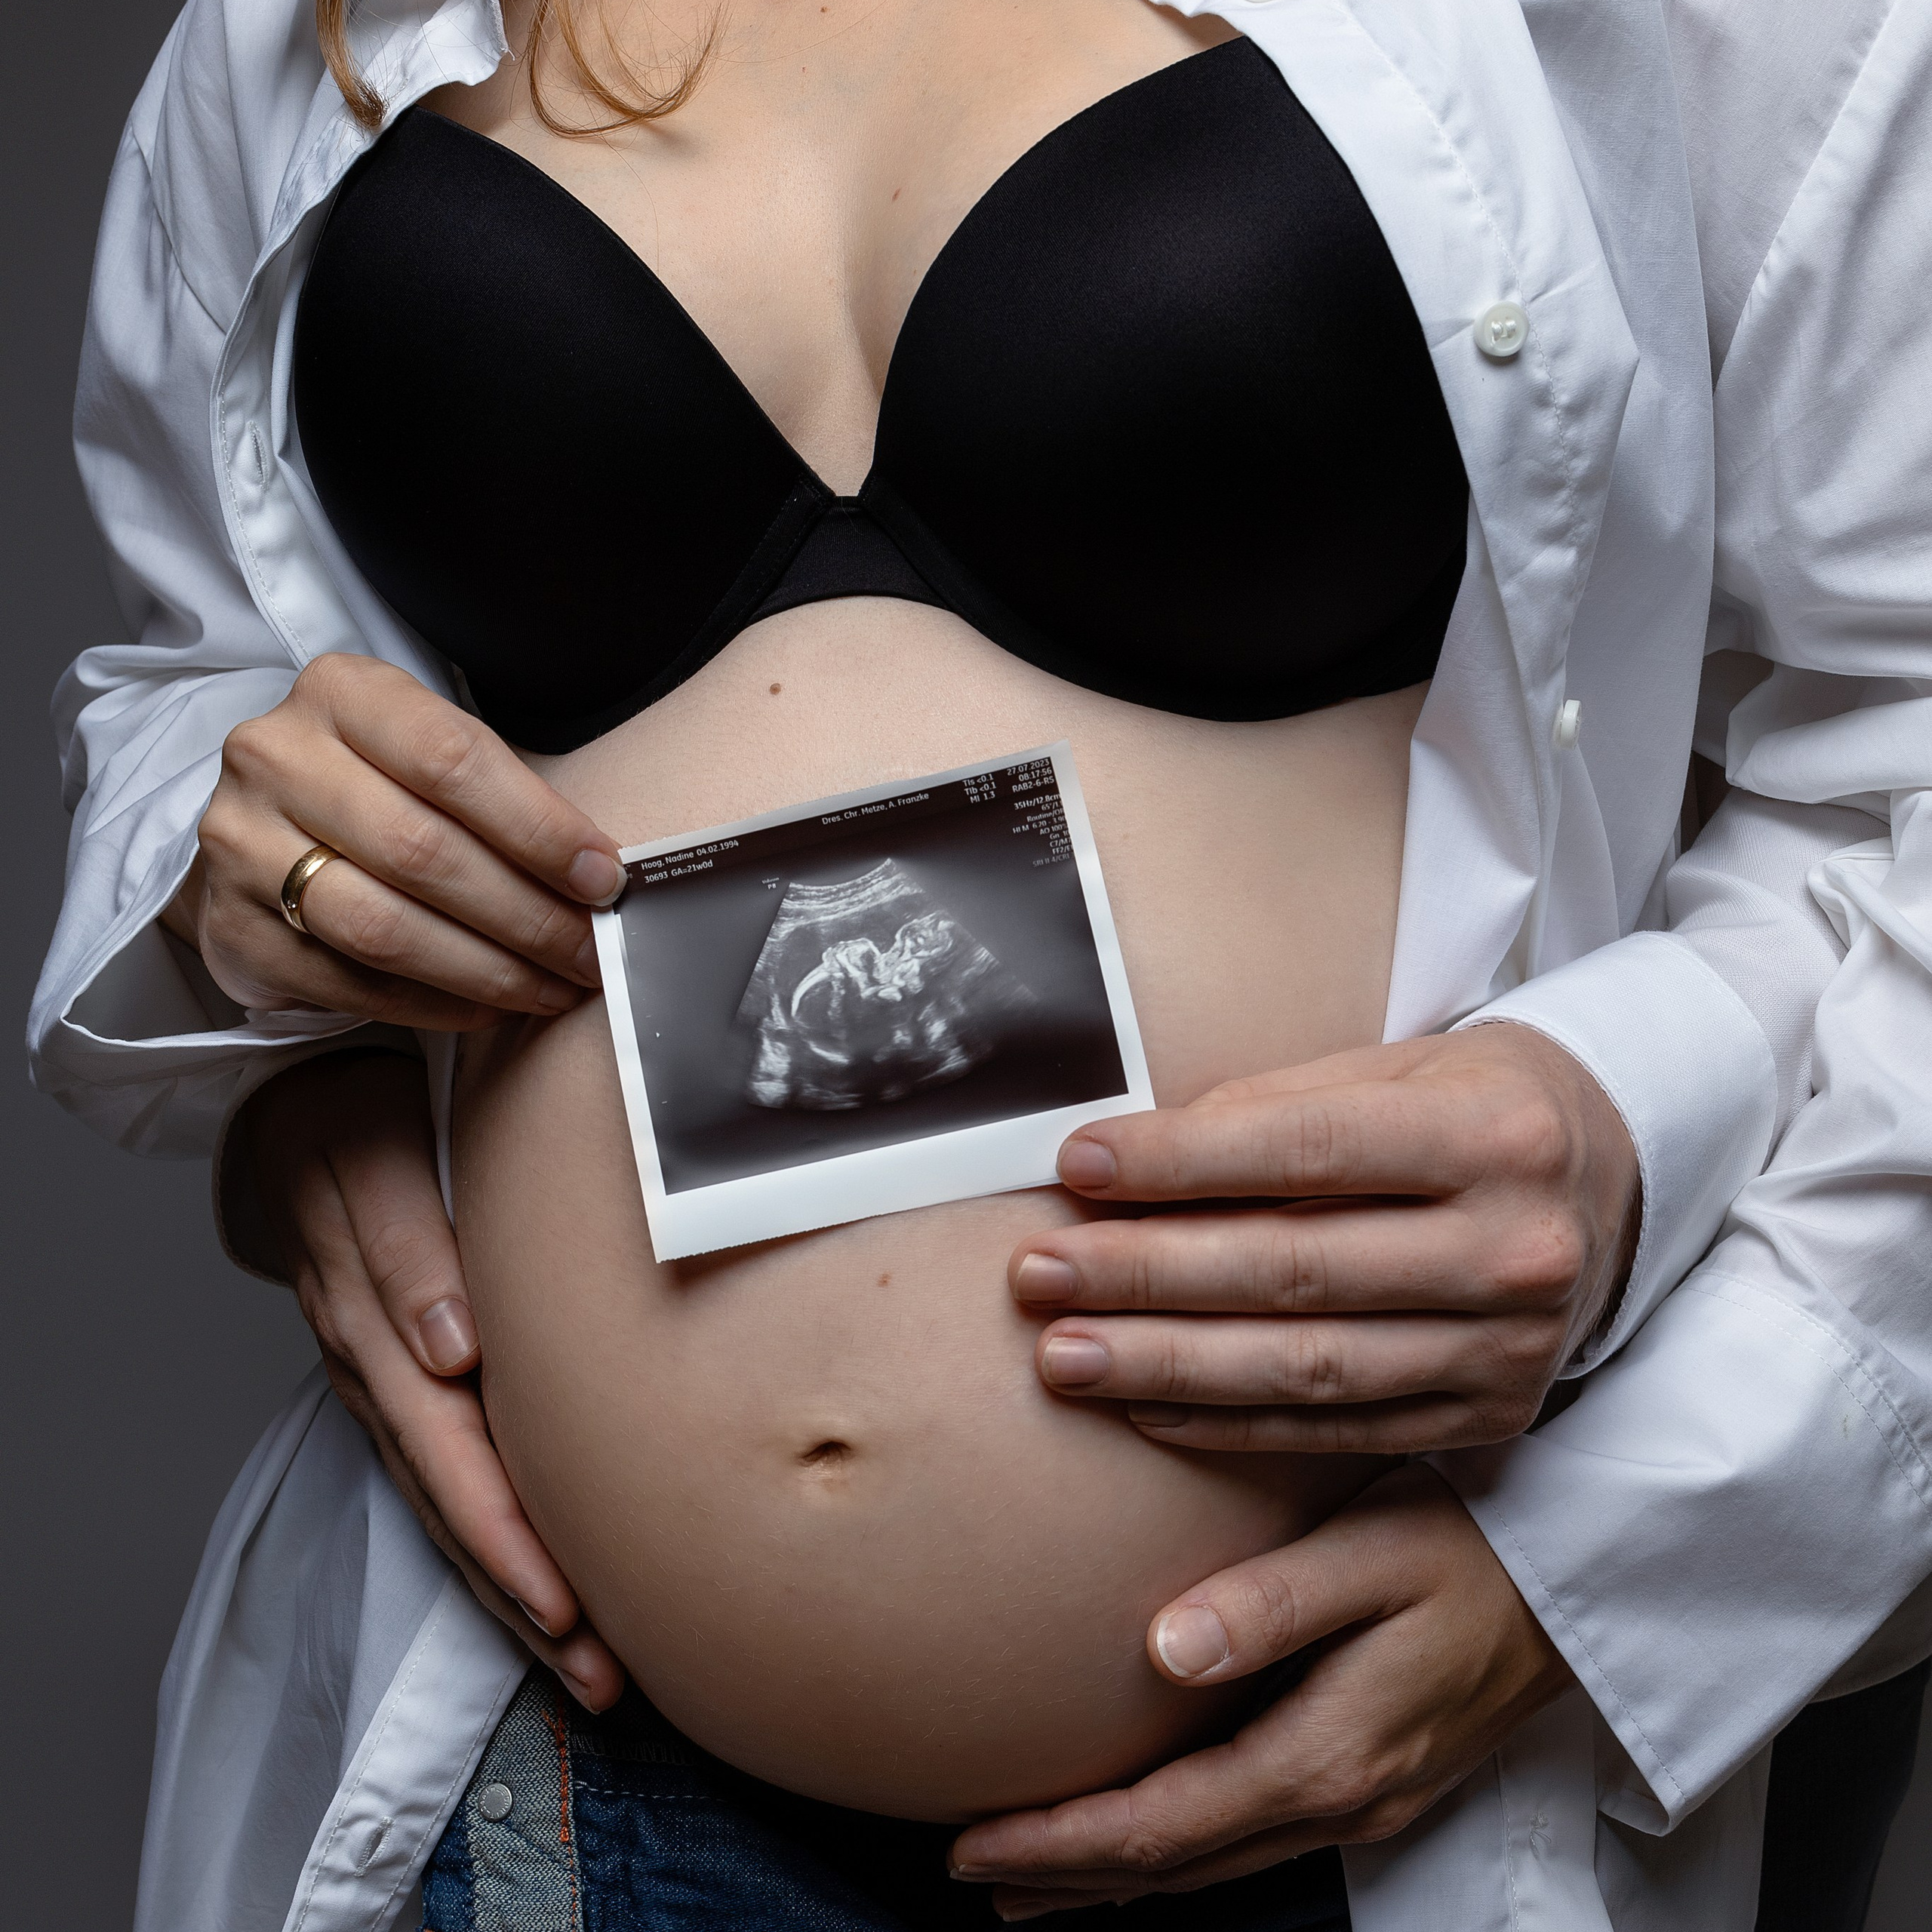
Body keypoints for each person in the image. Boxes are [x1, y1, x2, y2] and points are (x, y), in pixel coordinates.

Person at [28, 0, 1932, 1926]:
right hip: (547, 1771)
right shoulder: (319, 27)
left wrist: (1617, 1534)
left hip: (1381, 1744)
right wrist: (271, 955)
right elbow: (209, 661)